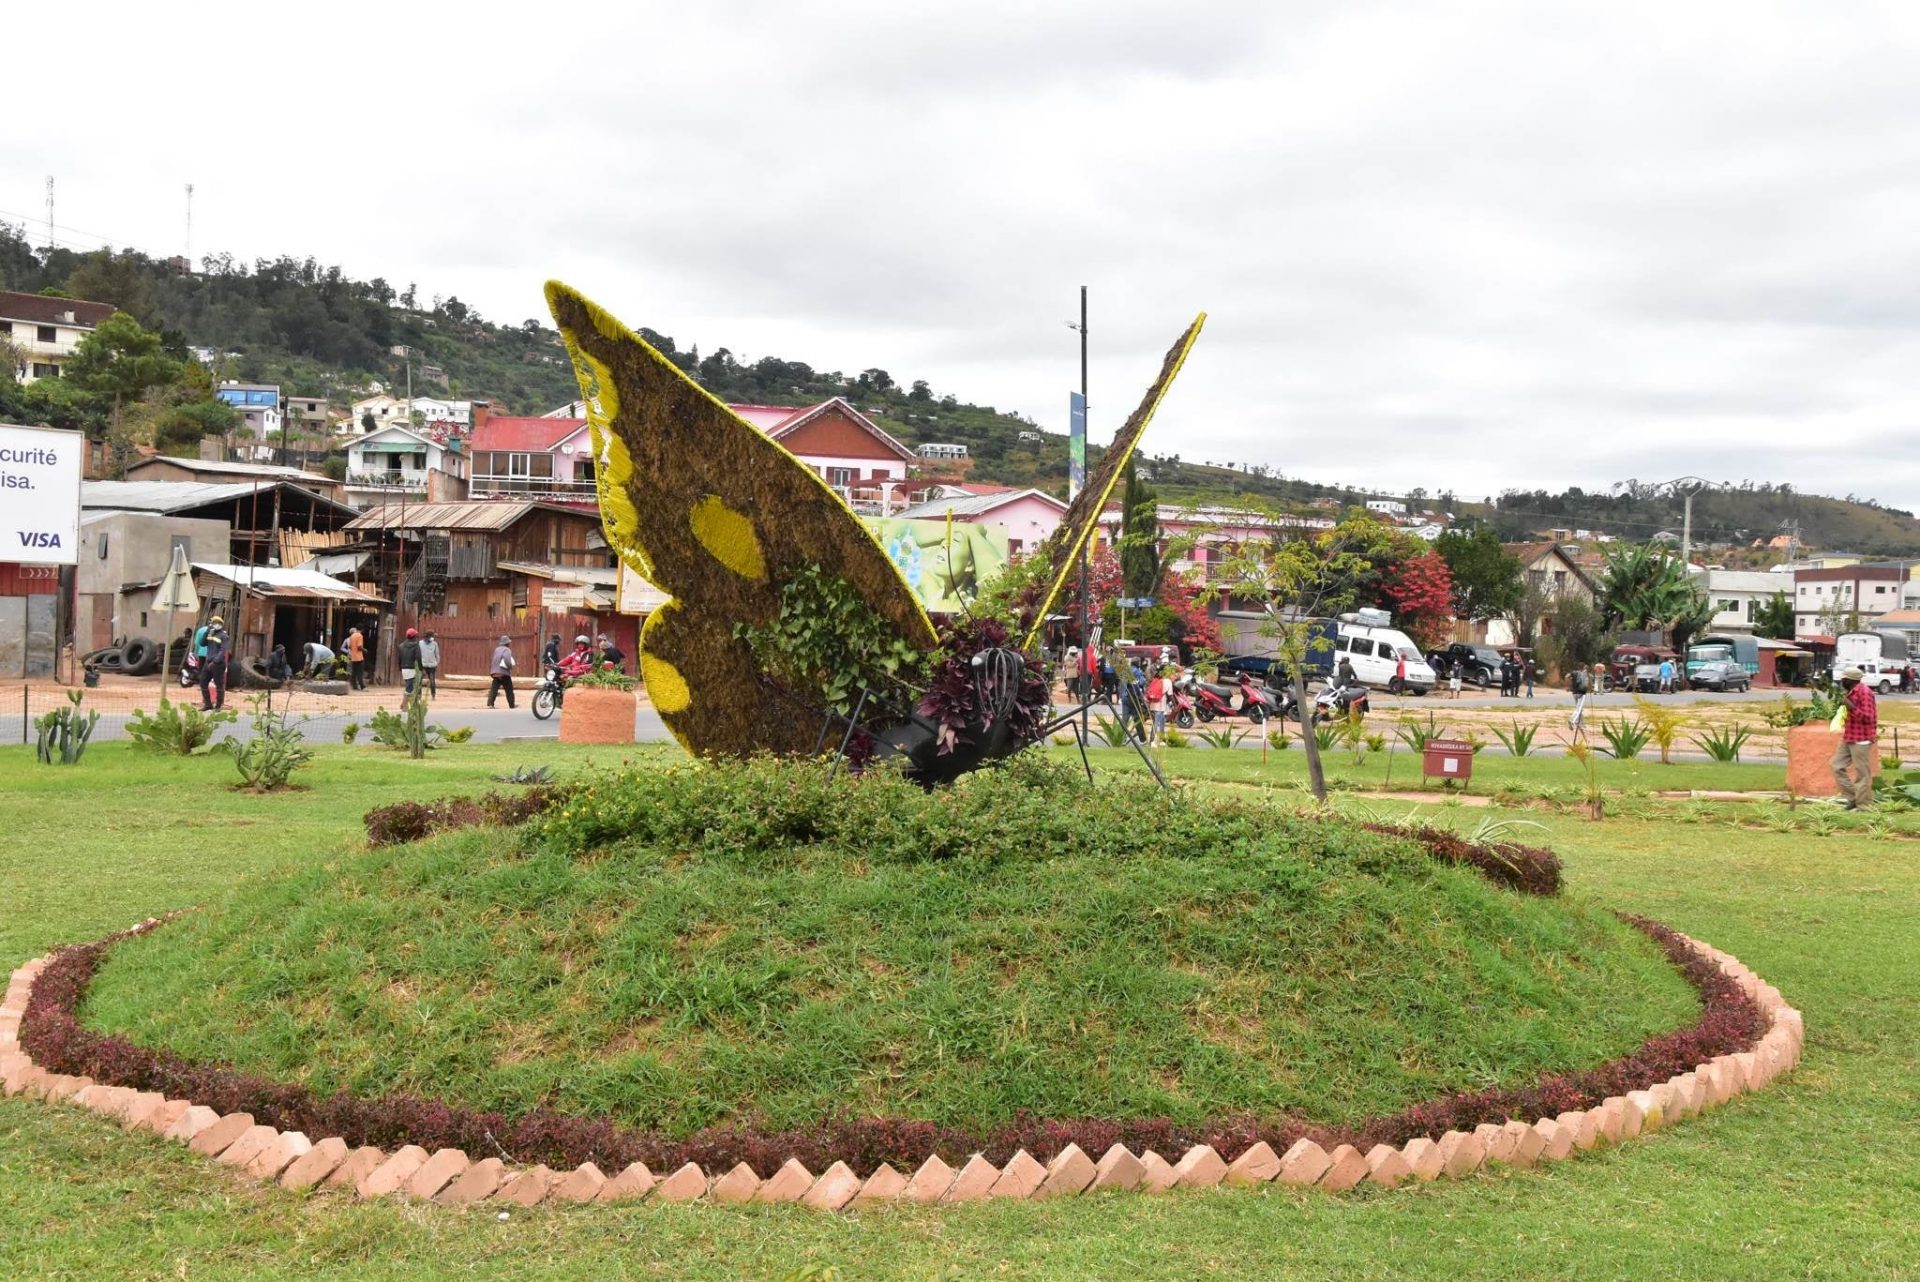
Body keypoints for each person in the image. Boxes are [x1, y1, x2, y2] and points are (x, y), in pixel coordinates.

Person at [1832, 667, 1879, 809]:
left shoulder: (1864, 692)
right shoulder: (1851, 691)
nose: (1841, 681)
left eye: (1843, 679)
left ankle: (1863, 805)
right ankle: (1853, 797)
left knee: (1862, 773)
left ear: (1850, 680)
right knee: (1836, 766)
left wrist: (1850, 706)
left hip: (1862, 738)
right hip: (1850, 735)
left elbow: (1868, 718)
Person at [198, 617, 230, 711]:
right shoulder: (210, 633)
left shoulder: (224, 636)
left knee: (219, 684)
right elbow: (202, 643)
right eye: (214, 623)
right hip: (208, 663)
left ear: (221, 624)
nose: (216, 624)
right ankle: (208, 704)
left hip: (218, 664)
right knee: (203, 682)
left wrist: (215, 661)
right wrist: (207, 631)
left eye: (218, 623)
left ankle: (218, 706)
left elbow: (223, 650)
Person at [487, 634, 517, 708]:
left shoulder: (497, 649)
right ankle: (512, 705)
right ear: (507, 643)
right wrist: (510, 667)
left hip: (495, 672)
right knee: (509, 689)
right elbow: (507, 660)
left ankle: (490, 703)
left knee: (494, 688)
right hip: (503, 672)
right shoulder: (507, 650)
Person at [1145, 665, 1170, 745]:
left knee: (1161, 723)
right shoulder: (1167, 681)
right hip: (1161, 706)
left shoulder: (1154, 680)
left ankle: (1161, 740)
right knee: (1157, 724)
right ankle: (1152, 741)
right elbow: (1170, 694)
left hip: (1153, 705)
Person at [1569, 660, 1592, 739]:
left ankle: (1581, 723)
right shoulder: (1585, 673)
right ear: (1583, 667)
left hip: (1574, 693)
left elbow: (1566, 677)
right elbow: (1589, 682)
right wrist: (1590, 688)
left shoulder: (1574, 673)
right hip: (1582, 693)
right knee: (1579, 709)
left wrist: (1568, 686)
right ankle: (1572, 720)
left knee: (1580, 709)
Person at [398, 627, 422, 698]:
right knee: (412, 688)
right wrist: (420, 668)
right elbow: (418, 658)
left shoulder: (401, 646)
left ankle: (408, 704)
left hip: (404, 669)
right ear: (414, 636)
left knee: (408, 686)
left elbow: (399, 658)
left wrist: (400, 667)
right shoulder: (416, 646)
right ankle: (407, 705)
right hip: (413, 669)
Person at [418, 630, 441, 698]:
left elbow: (437, 654)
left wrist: (436, 663)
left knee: (432, 680)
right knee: (419, 680)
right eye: (432, 636)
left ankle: (433, 694)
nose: (432, 638)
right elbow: (418, 654)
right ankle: (419, 695)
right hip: (423, 665)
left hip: (432, 665)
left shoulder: (434, 644)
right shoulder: (420, 643)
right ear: (427, 637)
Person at [346, 626, 367, 691]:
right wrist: (364, 650)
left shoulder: (352, 636)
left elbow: (349, 646)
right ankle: (362, 687)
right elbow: (359, 646)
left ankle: (354, 686)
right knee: (360, 673)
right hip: (359, 657)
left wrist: (353, 651)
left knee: (354, 673)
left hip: (353, 657)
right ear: (362, 629)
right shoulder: (359, 635)